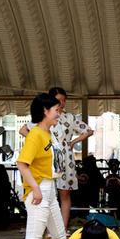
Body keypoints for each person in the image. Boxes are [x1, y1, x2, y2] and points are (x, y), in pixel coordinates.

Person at [20, 87, 94, 230]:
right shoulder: (44, 117)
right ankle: (48, 230)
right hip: (48, 157)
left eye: (64, 100)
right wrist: (38, 142)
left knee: (64, 195)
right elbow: (23, 129)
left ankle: (62, 229)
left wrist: (73, 142)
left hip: (65, 158)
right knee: (48, 193)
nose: (62, 103)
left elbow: (89, 131)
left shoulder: (69, 117)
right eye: (59, 100)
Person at [17, 93, 67, 239]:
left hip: (50, 189)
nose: (59, 113)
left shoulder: (49, 133)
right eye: (56, 110)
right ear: (45, 111)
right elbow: (22, 163)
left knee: (60, 238)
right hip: (39, 192)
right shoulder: (36, 134)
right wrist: (35, 188)